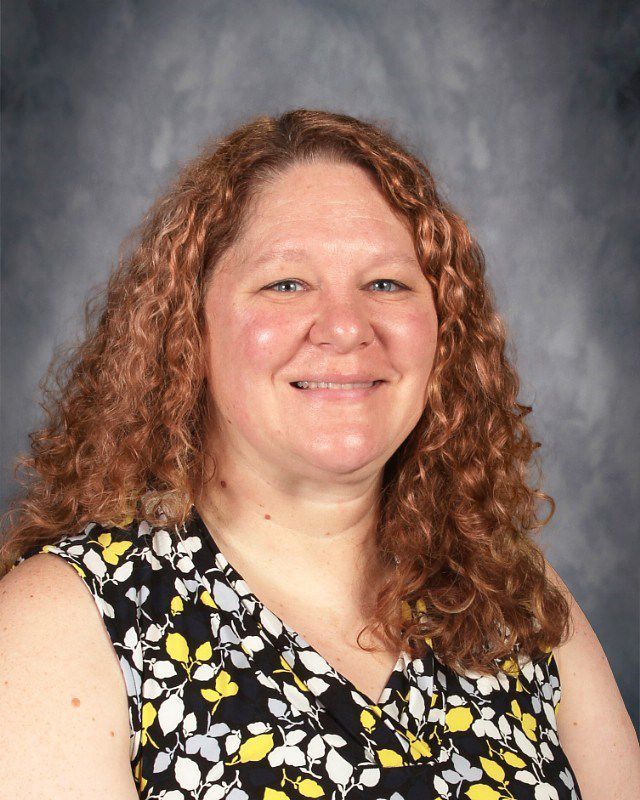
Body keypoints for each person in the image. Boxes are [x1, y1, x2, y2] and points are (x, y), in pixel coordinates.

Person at [0, 109, 637, 800]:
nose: (344, 327)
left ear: (444, 331)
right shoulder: (63, 621)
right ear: (190, 331)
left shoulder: (510, 596)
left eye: (387, 284)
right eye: (286, 284)